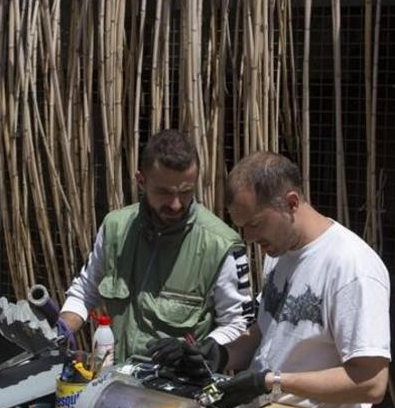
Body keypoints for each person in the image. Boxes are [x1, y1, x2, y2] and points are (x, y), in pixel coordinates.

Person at [151, 151, 390, 408]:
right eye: (242, 226)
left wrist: (271, 382)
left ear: (291, 203)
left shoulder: (352, 267)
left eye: (255, 223)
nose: (248, 237)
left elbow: (371, 382)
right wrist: (216, 353)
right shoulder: (281, 254)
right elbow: (264, 333)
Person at [58, 129, 255, 361]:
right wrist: (60, 333)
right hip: (117, 377)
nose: (175, 204)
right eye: (164, 192)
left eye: (186, 192)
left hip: (181, 384)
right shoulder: (115, 228)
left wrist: (198, 351)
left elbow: (239, 324)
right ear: (141, 180)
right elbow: (84, 291)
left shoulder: (221, 245)